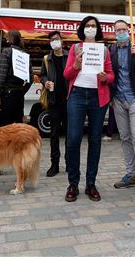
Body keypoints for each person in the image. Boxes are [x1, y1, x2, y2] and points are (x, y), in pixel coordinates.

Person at [63, 15, 115, 202]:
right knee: (74, 138)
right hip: (77, 95)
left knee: (95, 139)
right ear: (83, 29)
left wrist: (105, 78)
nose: (91, 28)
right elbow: (67, 74)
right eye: (88, 26)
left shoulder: (104, 51)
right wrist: (76, 65)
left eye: (94, 26)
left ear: (98, 29)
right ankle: (73, 184)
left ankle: (91, 184)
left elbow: (111, 75)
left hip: (97, 98)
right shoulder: (75, 48)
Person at [108, 20, 135, 200]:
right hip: (118, 99)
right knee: (125, 137)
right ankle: (130, 173)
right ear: (113, 32)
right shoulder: (110, 50)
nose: (121, 32)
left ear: (129, 30)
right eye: (118, 30)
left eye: (124, 29)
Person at [41, 30, 69, 177]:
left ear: (61, 40)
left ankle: (69, 163)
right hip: (54, 101)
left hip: (69, 101)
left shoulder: (69, 55)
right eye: (52, 40)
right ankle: (54, 165)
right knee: (54, 134)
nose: (54, 41)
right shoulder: (47, 58)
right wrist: (45, 82)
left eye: (56, 39)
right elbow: (43, 75)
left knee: (70, 135)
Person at [0, 30, 32, 126]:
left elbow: (2, 74)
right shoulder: (25, 55)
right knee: (17, 127)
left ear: (9, 39)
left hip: (7, 94)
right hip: (19, 95)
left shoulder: (6, 52)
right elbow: (30, 78)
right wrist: (22, 90)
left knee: (4, 127)